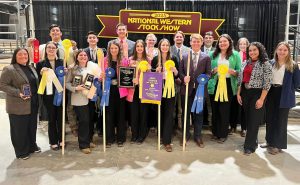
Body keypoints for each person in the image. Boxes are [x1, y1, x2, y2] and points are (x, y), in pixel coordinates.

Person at [0, 48, 40, 160]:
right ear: (15, 56)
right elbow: (2, 85)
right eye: (20, 54)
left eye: (25, 54)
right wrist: (19, 93)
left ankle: (32, 146)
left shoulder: (31, 67)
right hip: (18, 105)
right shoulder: (9, 69)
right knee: (19, 129)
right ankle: (21, 152)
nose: (23, 56)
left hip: (32, 103)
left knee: (32, 127)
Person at [263, 42, 300, 155]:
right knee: (270, 119)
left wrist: (288, 89)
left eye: (285, 50)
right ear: (276, 50)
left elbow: (297, 82)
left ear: (288, 52)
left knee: (280, 121)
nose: (282, 52)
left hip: (284, 94)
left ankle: (278, 145)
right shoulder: (270, 63)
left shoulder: (293, 65)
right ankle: (269, 141)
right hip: (271, 92)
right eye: (280, 49)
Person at [237, 42, 272, 155]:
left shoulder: (265, 64)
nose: (252, 52)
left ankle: (249, 147)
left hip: (257, 94)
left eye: (254, 50)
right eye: (250, 50)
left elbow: (267, 83)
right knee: (249, 119)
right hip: (245, 93)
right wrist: (238, 94)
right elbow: (240, 80)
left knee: (253, 121)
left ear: (260, 50)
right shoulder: (245, 62)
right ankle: (253, 141)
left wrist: (261, 99)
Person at [208, 34, 241, 143]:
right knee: (215, 108)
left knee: (224, 110)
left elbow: (239, 72)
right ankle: (215, 132)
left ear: (229, 42)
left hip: (228, 84)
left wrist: (233, 72)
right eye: (221, 42)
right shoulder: (212, 54)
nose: (222, 43)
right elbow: (208, 71)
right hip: (215, 84)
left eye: (225, 41)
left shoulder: (235, 55)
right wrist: (213, 71)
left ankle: (223, 134)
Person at [179, 34, 211, 147]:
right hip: (186, 90)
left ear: (201, 43)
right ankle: (185, 135)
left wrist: (204, 79)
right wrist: (183, 78)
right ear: (190, 42)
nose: (196, 43)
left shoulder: (206, 57)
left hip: (200, 91)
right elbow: (180, 72)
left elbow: (208, 73)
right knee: (185, 114)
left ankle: (198, 136)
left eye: (198, 41)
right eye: (194, 41)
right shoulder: (184, 56)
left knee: (199, 114)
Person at [36, 41, 65, 150]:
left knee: (61, 118)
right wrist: (41, 73)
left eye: (53, 48)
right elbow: (38, 81)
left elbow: (65, 78)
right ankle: (53, 141)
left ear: (56, 50)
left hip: (61, 94)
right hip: (48, 96)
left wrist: (66, 72)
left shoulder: (62, 62)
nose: (51, 49)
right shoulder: (40, 64)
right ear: (46, 49)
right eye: (49, 47)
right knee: (52, 119)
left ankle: (62, 140)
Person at [151, 38, 179, 152]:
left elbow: (177, 76)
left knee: (169, 114)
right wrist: (155, 70)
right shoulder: (155, 59)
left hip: (171, 90)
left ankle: (167, 141)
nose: (165, 47)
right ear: (159, 46)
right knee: (159, 113)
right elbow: (151, 74)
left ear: (169, 46)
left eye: (167, 45)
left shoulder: (174, 58)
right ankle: (161, 135)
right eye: (163, 45)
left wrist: (175, 71)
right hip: (158, 89)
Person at [66, 49, 94, 154]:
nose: (83, 57)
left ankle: (88, 140)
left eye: (85, 55)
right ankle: (83, 145)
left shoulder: (92, 68)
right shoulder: (72, 69)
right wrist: (75, 88)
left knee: (90, 121)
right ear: (77, 57)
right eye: (80, 55)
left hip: (91, 98)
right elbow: (67, 83)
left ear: (87, 57)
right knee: (84, 121)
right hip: (79, 98)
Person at [103, 41, 128, 147]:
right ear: (109, 49)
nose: (113, 50)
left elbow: (128, 76)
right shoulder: (104, 60)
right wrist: (102, 76)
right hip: (108, 91)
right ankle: (109, 138)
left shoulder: (124, 61)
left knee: (121, 115)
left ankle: (120, 139)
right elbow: (101, 75)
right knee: (109, 115)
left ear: (119, 49)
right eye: (111, 48)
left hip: (120, 91)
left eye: (115, 48)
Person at [128, 40, 151, 144]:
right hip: (133, 90)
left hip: (145, 90)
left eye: (141, 46)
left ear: (144, 48)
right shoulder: (130, 60)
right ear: (135, 48)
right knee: (134, 113)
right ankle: (134, 134)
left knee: (144, 113)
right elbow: (126, 74)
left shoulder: (148, 60)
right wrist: (131, 79)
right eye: (138, 46)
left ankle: (142, 135)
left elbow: (152, 77)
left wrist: (149, 70)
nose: (139, 48)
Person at [170, 31, 190, 132]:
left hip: (184, 83)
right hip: (171, 82)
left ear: (183, 38)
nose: (178, 38)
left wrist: (182, 78)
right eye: (177, 37)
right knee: (172, 106)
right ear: (174, 38)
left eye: (180, 37)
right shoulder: (168, 49)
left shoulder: (188, 50)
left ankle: (182, 127)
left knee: (182, 107)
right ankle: (172, 127)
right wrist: (176, 77)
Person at [231, 37, 250, 137]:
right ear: (238, 45)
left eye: (245, 44)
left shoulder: (251, 55)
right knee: (233, 106)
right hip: (234, 84)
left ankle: (244, 128)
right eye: (241, 44)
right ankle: (233, 126)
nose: (243, 46)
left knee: (244, 107)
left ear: (248, 45)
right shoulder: (234, 54)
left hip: (245, 85)